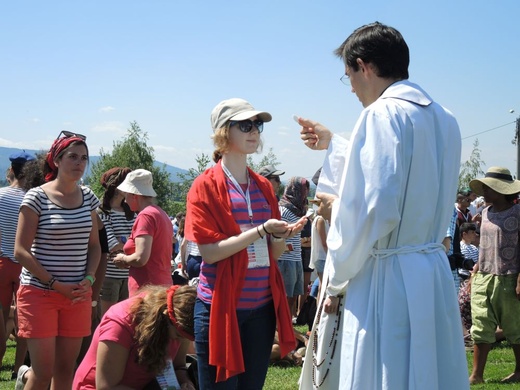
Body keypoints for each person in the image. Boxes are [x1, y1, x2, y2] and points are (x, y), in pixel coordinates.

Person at [297, 22, 469, 389]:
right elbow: (408, 175)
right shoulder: (444, 117)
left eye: (349, 76)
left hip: (389, 277)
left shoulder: (379, 115)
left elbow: (375, 208)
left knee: (385, 373)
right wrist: (336, 144)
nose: (353, 89)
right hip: (430, 267)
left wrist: (337, 271)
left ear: (365, 66)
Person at [186, 98, 306, 389]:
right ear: (223, 132)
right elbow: (210, 254)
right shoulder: (205, 186)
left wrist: (280, 237)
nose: (255, 131)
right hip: (220, 308)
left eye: (258, 125)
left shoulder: (264, 186)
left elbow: (272, 254)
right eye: (245, 125)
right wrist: (261, 230)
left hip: (262, 308)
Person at [14, 131, 101, 390]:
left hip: (77, 295)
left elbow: (95, 246)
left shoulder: (88, 197)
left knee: (66, 369)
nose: (79, 163)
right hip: (40, 292)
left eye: (84, 158)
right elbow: (21, 250)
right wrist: (54, 283)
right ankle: (26, 377)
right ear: (57, 160)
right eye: (72, 157)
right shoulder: (36, 197)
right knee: (43, 372)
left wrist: (89, 278)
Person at [73, 284, 197, 389]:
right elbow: (106, 386)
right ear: (166, 316)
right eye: (177, 335)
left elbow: (178, 366)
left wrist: (185, 382)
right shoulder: (121, 322)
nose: (179, 341)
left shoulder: (181, 324)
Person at [468, 167, 520, 384]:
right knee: (480, 326)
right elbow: (485, 245)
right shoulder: (485, 213)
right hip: (484, 275)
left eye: (488, 188)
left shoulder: (518, 213)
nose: (484, 192)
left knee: (514, 326)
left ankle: (519, 372)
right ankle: (476, 376)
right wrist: (476, 269)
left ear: (502, 190)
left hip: (509, 276)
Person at [113, 169, 173, 296]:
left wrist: (123, 259)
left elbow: (141, 258)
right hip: (161, 286)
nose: (125, 201)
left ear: (135, 195)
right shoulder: (161, 214)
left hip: (146, 291)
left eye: (126, 195)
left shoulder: (145, 216)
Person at [0, 151, 34, 378]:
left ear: (11, 170)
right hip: (25, 264)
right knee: (24, 320)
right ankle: (17, 369)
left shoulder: (0, 195)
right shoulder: (34, 197)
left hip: (2, 263)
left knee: (3, 319)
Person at [98, 167, 136, 316]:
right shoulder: (102, 212)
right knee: (107, 317)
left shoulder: (132, 212)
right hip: (109, 275)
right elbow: (112, 245)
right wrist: (134, 247)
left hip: (128, 275)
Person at [278, 177, 310, 319]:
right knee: (285, 298)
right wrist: (288, 247)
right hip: (285, 260)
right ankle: (280, 329)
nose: (306, 193)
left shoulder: (299, 211)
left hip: (296, 258)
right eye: (304, 190)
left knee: (293, 296)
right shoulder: (283, 211)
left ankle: (288, 326)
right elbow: (276, 238)